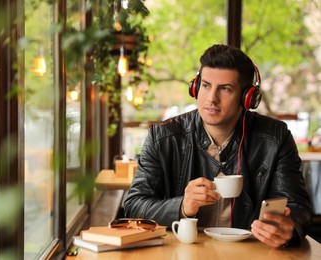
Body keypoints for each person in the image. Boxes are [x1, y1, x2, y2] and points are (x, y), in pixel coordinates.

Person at [123, 44, 312, 248]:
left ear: (247, 98)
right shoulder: (162, 137)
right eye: (205, 86)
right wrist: (182, 206)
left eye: (225, 89)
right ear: (195, 88)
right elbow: (134, 205)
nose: (211, 98)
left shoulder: (276, 138)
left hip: (250, 254)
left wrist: (289, 228)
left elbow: (298, 207)